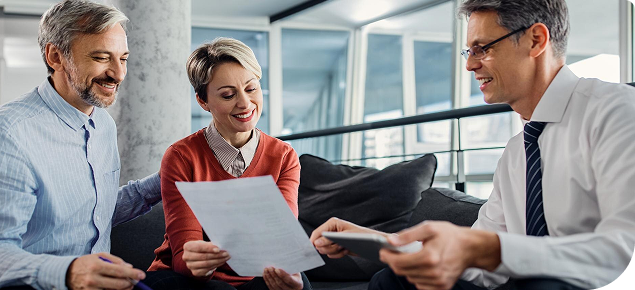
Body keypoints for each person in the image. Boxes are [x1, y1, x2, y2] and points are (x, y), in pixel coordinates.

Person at [310, 0, 635, 289]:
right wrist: (385, 243)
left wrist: (489, 249)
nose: (470, 65)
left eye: (484, 48)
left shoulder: (618, 112)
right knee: (394, 279)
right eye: (469, 51)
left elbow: (624, 249)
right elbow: (480, 268)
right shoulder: (516, 153)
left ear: (536, 40)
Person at [0, 1, 162, 290]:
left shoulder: (102, 124)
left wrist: (164, 182)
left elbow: (94, 213)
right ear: (56, 56)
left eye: (123, 58)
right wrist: (70, 272)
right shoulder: (8, 131)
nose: (118, 74)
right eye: (102, 57)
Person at [144, 37, 310, 290]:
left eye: (251, 89)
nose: (245, 103)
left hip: (253, 275)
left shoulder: (284, 156)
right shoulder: (181, 156)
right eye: (228, 95)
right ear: (203, 101)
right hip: (183, 277)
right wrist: (199, 264)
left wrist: (290, 271)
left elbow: (282, 242)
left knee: (299, 285)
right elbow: (183, 256)